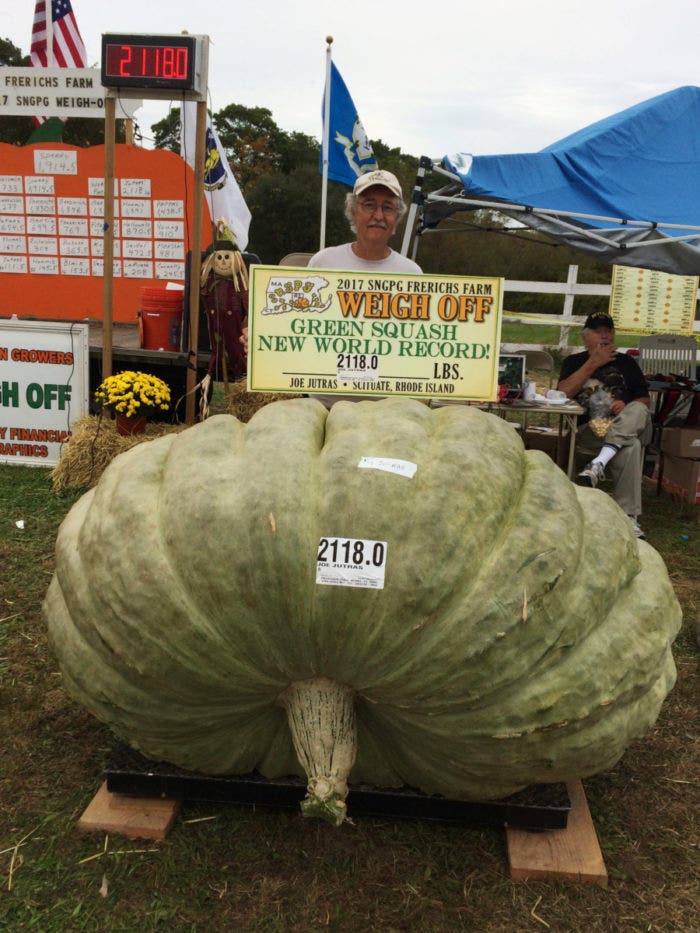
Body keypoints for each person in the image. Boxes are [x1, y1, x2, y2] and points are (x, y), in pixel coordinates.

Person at [557, 311, 652, 539]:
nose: (605, 336)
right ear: (585, 337)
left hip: (626, 422)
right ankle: (628, 516)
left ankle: (599, 462)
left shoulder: (627, 363)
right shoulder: (574, 362)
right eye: (598, 331)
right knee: (632, 446)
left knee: (638, 410)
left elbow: (644, 399)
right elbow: (562, 393)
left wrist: (625, 404)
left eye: (609, 331)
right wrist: (593, 363)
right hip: (593, 429)